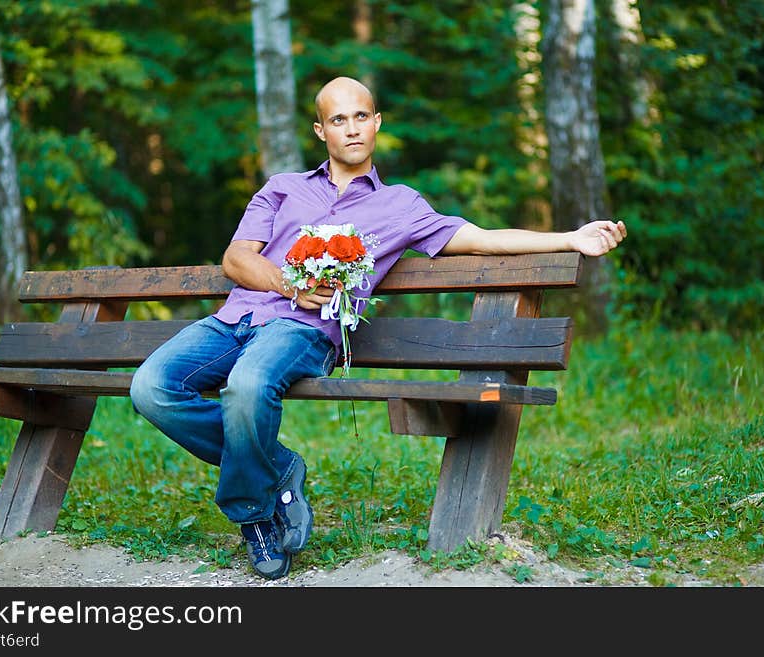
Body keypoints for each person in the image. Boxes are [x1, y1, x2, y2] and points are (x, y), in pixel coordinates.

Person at [130, 76, 627, 580]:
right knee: (150, 388)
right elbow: (237, 259)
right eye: (339, 120)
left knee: (248, 385)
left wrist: (569, 238)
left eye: (361, 117)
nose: (352, 129)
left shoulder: (402, 207)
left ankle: (253, 515)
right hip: (235, 318)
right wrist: (290, 285)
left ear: (377, 124)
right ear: (321, 130)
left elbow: (481, 239)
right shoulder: (282, 188)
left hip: (302, 333)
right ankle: (277, 469)